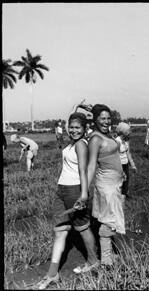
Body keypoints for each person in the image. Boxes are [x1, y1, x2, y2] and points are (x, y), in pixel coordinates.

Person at [35, 112, 99, 290]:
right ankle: (52, 273)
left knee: (82, 227)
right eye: (71, 127)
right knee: (60, 231)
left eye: (78, 127)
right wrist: (78, 107)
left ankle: (93, 261)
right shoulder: (71, 144)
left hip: (74, 190)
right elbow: (72, 115)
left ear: (85, 129)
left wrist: (84, 194)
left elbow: (83, 171)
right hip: (61, 190)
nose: (73, 130)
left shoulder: (80, 145)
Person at [85, 103, 126, 266]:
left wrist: (120, 172)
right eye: (102, 118)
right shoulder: (95, 139)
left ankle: (108, 256)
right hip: (106, 185)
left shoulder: (108, 135)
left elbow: (113, 156)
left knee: (111, 219)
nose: (106, 121)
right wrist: (84, 191)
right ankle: (107, 259)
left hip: (116, 183)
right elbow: (91, 165)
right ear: (95, 120)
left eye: (108, 118)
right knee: (109, 222)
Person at [115, 122, 137, 197]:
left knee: (126, 181)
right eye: (128, 131)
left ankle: (124, 195)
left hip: (125, 164)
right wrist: (120, 170)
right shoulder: (117, 141)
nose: (129, 133)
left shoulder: (126, 141)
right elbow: (115, 156)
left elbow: (128, 154)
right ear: (123, 131)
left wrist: (133, 165)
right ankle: (118, 197)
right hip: (119, 165)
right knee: (120, 181)